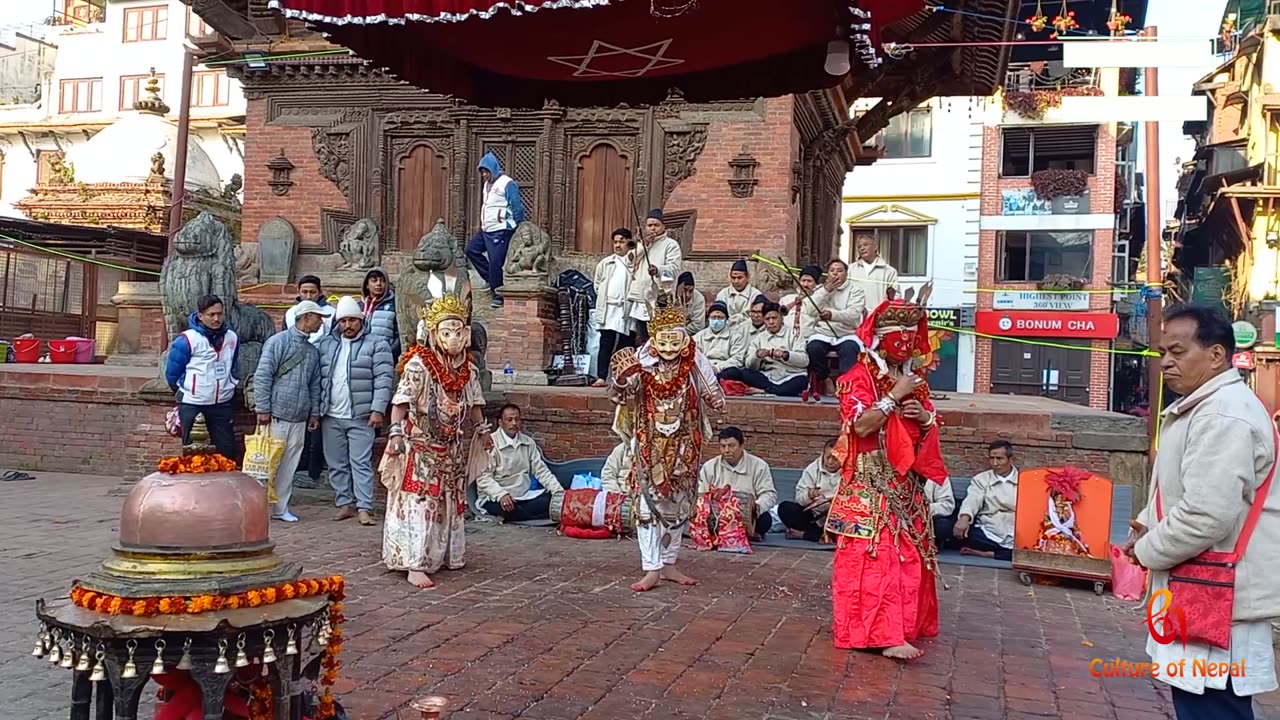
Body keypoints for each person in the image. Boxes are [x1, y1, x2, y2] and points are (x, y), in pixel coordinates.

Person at [1126, 304, 1280, 720]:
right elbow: (1182, 489)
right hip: (1206, 591)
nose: (1166, 362)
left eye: (1177, 352)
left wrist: (1147, 551)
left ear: (1215, 355)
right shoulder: (1207, 406)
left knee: (1212, 705)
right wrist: (1147, 523)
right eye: (1163, 352)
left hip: (1217, 597)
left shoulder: (1224, 414)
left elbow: (1205, 516)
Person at [826, 288, 947, 660]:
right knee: (875, 555)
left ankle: (902, 626)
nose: (907, 346)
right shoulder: (858, 377)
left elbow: (927, 424)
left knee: (909, 553)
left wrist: (924, 418)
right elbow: (860, 426)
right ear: (883, 339)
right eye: (900, 338)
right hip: (870, 482)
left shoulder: (913, 379)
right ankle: (879, 633)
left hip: (906, 482)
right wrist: (893, 397)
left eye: (911, 339)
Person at [608, 303, 725, 592]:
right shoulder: (642, 359)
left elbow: (714, 393)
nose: (670, 348)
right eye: (664, 341)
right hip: (650, 441)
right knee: (647, 505)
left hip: (684, 442)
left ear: (684, 340)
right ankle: (652, 568)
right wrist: (620, 381)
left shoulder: (694, 360)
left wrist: (716, 401)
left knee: (679, 503)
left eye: (676, 341)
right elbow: (620, 390)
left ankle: (669, 563)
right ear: (654, 340)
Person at [379, 294, 489, 590]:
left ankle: (442, 555)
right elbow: (401, 403)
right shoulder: (419, 365)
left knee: (450, 500)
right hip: (420, 446)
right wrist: (395, 433)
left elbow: (474, 403)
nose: (453, 338)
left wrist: (483, 430)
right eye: (446, 332)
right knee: (420, 503)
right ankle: (414, 562)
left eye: (458, 331)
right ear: (434, 334)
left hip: (452, 446)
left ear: (466, 334)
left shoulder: (468, 370)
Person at [317, 296, 395, 526]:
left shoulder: (377, 344)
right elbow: (319, 379)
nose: (347, 325)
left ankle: (364, 507)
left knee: (360, 462)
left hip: (361, 415)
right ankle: (345, 503)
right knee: (336, 463)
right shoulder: (327, 344)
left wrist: (378, 409)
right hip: (331, 414)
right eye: (343, 321)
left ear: (361, 320)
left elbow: (383, 379)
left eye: (352, 320)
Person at [253, 300, 324, 523]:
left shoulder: (312, 351)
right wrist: (262, 408)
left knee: (289, 465)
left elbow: (314, 384)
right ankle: (259, 508)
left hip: (299, 416)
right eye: (318, 318)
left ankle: (280, 508)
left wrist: (314, 413)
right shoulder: (278, 342)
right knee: (266, 465)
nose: (321, 323)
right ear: (306, 317)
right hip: (275, 414)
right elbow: (263, 376)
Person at [164, 294, 239, 459]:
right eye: (211, 315)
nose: (216, 319)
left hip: (222, 403)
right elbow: (172, 373)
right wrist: (188, 391)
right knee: (192, 453)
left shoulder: (232, 337)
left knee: (227, 452)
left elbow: (232, 366)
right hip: (193, 404)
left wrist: (230, 384)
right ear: (200, 316)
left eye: (219, 314)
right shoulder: (187, 339)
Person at [286, 275, 335, 489]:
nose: (308, 295)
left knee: (317, 422)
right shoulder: (290, 314)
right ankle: (298, 468)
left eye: (312, 292)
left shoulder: (331, 313)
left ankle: (316, 468)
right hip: (296, 376)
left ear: (319, 292)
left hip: (322, 366)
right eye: (304, 292)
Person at [476, 403, 563, 521]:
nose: (514, 423)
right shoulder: (490, 444)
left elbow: (541, 471)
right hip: (497, 497)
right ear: (500, 422)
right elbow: (483, 478)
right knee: (513, 510)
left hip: (524, 495)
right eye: (509, 420)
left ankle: (536, 513)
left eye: (517, 419)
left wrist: (558, 492)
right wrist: (501, 495)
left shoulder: (528, 442)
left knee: (551, 501)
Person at [465, 152, 526, 308]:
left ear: (493, 169)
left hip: (501, 228)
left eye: (486, 171)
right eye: (482, 172)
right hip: (487, 228)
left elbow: (516, 204)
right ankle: (490, 278)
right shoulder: (487, 185)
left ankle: (497, 294)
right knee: (471, 250)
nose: (484, 175)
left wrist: (519, 224)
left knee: (495, 262)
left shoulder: (507, 183)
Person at [697, 427, 778, 539]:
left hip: (746, 515)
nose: (726, 450)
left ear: (742, 445)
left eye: (731, 446)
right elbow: (701, 494)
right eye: (723, 446)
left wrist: (755, 507)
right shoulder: (709, 467)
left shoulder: (759, 466)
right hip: (717, 516)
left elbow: (769, 494)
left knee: (765, 519)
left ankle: (748, 533)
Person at [804, 259, 867, 401]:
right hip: (823, 332)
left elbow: (853, 314)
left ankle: (844, 384)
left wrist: (832, 315)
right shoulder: (820, 289)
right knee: (813, 348)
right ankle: (825, 379)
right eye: (832, 271)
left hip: (847, 332)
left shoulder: (856, 290)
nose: (835, 274)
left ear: (846, 273)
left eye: (839, 271)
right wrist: (825, 291)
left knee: (849, 349)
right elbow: (810, 310)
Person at [953, 440, 1019, 561]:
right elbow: (973, 499)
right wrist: (964, 518)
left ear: (1011, 459)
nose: (995, 463)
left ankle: (988, 554)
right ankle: (1005, 554)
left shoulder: (1024, 479)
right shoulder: (981, 479)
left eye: (1000, 459)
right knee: (967, 535)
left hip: (1015, 528)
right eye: (992, 458)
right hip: (989, 528)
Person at [626, 209, 682, 344]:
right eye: (649, 225)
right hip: (641, 298)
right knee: (642, 338)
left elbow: (674, 269)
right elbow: (629, 261)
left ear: (663, 226)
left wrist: (658, 270)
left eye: (656, 225)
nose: (652, 228)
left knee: (659, 337)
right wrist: (643, 245)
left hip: (660, 298)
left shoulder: (671, 245)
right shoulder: (640, 244)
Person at [732, 302, 808, 397]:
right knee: (745, 373)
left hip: (791, 375)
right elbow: (749, 365)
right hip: (768, 376)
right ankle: (776, 390)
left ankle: (765, 391)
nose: (771, 322)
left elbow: (804, 361)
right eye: (767, 319)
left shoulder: (794, 335)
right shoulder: (759, 338)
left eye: (774, 318)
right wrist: (757, 356)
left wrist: (785, 355)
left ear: (781, 318)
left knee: (801, 381)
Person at [592, 228, 634, 387]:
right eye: (615, 242)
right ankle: (601, 377)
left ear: (629, 242)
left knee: (626, 342)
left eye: (621, 242)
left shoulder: (635, 263)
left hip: (626, 308)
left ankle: (623, 377)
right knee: (606, 342)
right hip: (609, 308)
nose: (617, 245)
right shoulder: (606, 263)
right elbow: (597, 284)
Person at [777, 439, 841, 542]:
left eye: (835, 458)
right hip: (814, 516)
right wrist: (809, 495)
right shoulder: (812, 469)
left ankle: (803, 535)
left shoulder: (850, 471)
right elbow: (799, 498)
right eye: (827, 457)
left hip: (837, 516)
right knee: (785, 508)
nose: (830, 462)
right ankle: (816, 535)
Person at [693, 301, 747, 377]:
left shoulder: (736, 336)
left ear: (726, 319)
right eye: (713, 317)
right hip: (703, 369)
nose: (716, 320)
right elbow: (694, 356)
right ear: (708, 318)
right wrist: (707, 368)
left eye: (720, 318)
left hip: (726, 369)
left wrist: (718, 368)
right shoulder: (699, 336)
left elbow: (737, 359)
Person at [849, 233, 899, 309]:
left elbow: (896, 297)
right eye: (859, 247)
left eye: (865, 245)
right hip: (855, 314)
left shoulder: (889, 271)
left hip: (879, 314)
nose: (862, 248)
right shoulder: (850, 269)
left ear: (875, 247)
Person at [361, 268, 401, 363]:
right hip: (362, 357)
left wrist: (390, 351)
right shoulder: (359, 306)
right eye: (374, 280)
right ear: (367, 285)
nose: (379, 284)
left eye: (383, 281)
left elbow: (399, 334)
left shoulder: (395, 305)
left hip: (385, 356)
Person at [715, 259, 761, 331]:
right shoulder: (723, 294)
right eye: (733, 278)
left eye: (739, 278)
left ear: (747, 277)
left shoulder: (756, 295)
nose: (736, 281)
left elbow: (758, 319)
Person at [780, 265, 822, 342]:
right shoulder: (786, 299)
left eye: (809, 281)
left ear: (816, 284)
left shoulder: (819, 301)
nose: (805, 284)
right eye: (803, 280)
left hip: (809, 340)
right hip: (786, 339)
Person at [927, 477, 957, 549]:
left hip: (927, 517)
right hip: (901, 518)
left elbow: (947, 505)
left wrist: (923, 508)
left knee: (943, 526)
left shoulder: (938, 475)